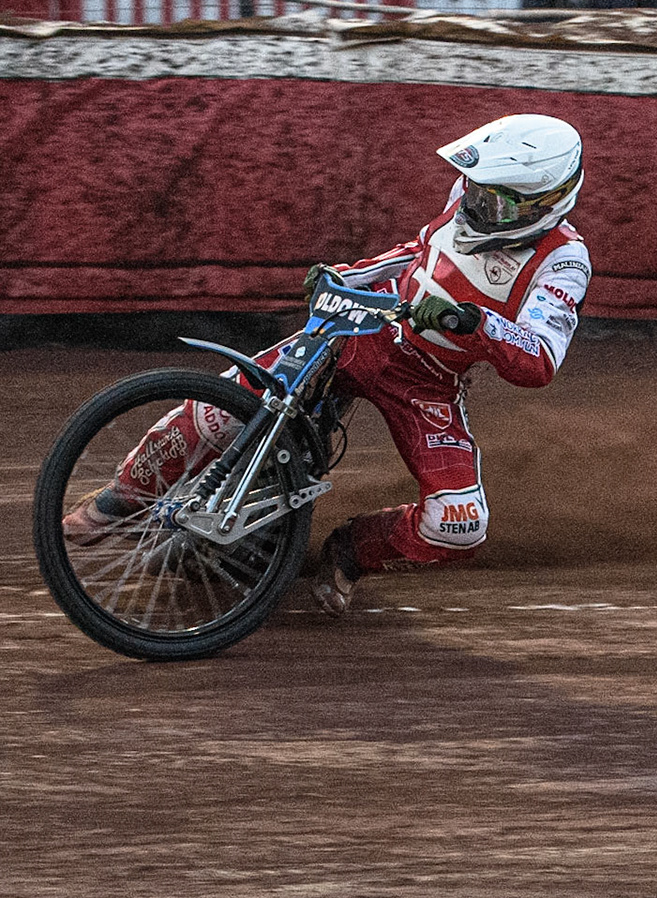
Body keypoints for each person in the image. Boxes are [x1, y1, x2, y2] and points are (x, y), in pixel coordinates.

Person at [63, 113, 592, 616]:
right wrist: (349, 275)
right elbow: (418, 251)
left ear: (543, 203)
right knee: (222, 410)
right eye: (475, 187)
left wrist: (469, 321)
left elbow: (540, 359)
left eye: (495, 200)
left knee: (459, 525)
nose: (475, 204)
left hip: (427, 381)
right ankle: (123, 497)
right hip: (360, 327)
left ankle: (348, 550)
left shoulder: (564, 262)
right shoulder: (467, 198)